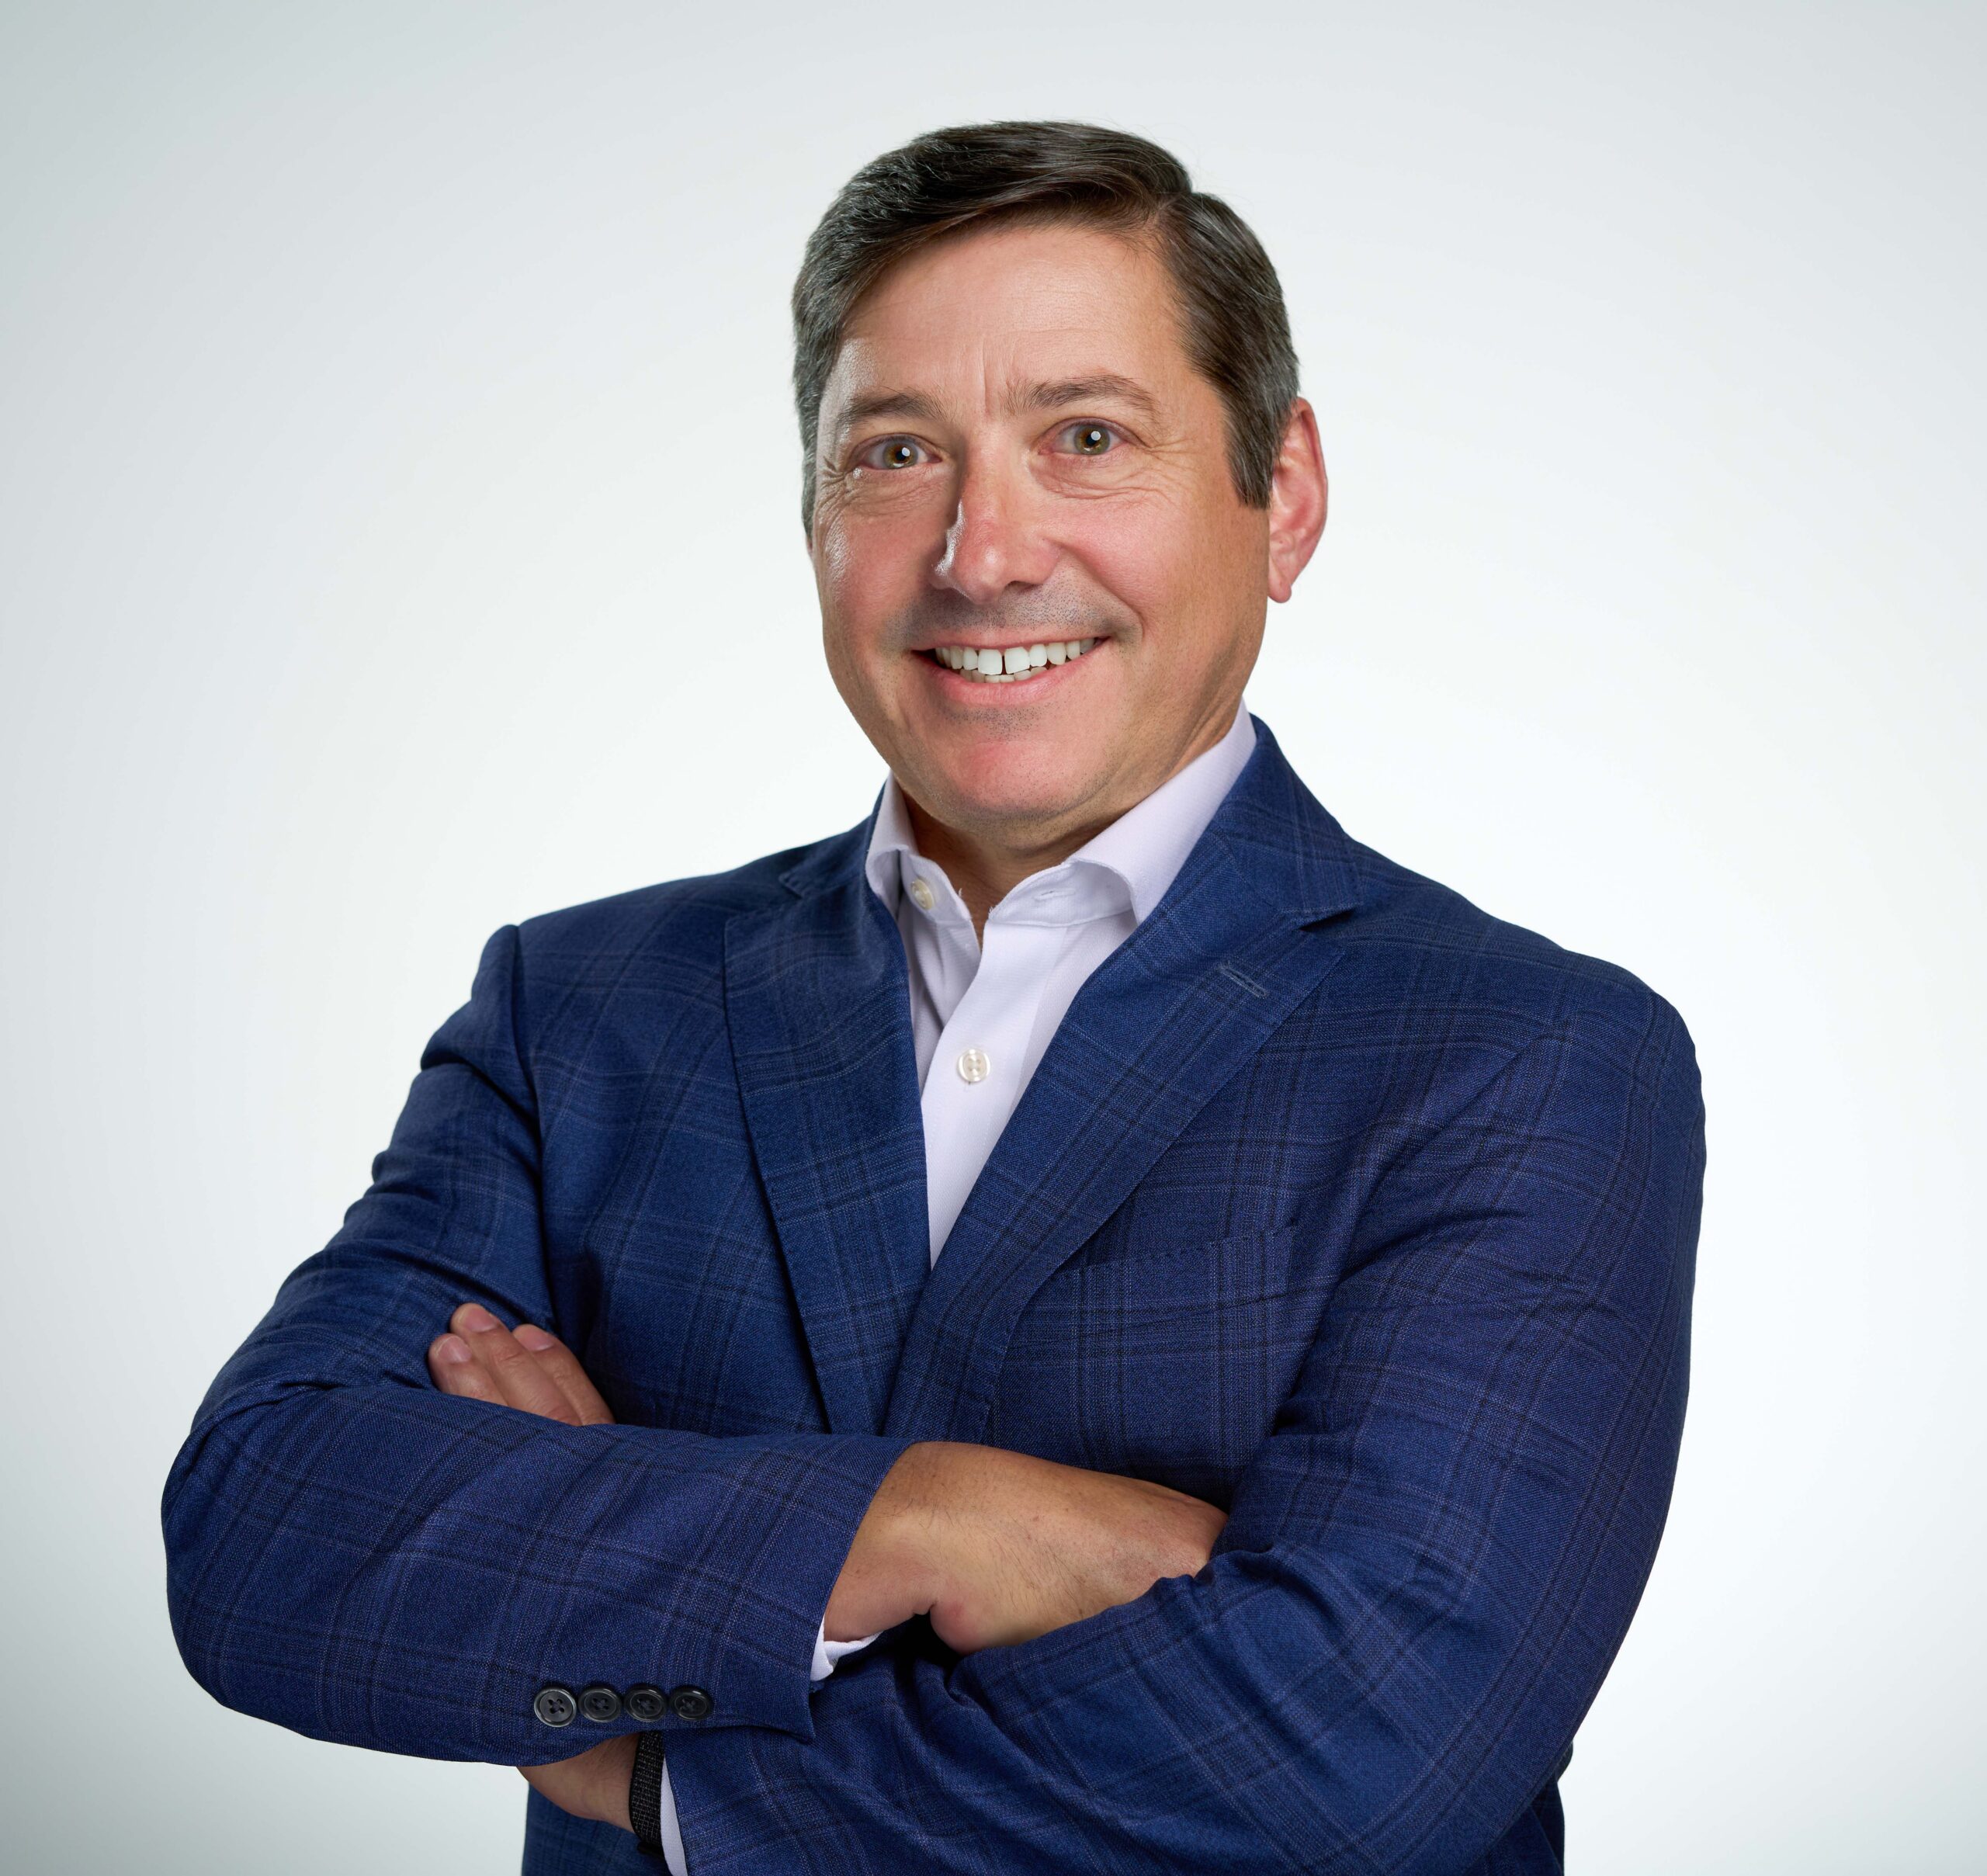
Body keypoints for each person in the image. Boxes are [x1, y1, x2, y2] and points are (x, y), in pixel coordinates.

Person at [163, 120, 1705, 1874]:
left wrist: (642, 1740)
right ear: (812, 511)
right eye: (896, 453)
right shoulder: (580, 1010)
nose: (982, 551)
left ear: (1280, 496)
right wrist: (946, 1522)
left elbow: (1348, 1760)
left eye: (1088, 438)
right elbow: (262, 1540)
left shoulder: (1529, 1061)